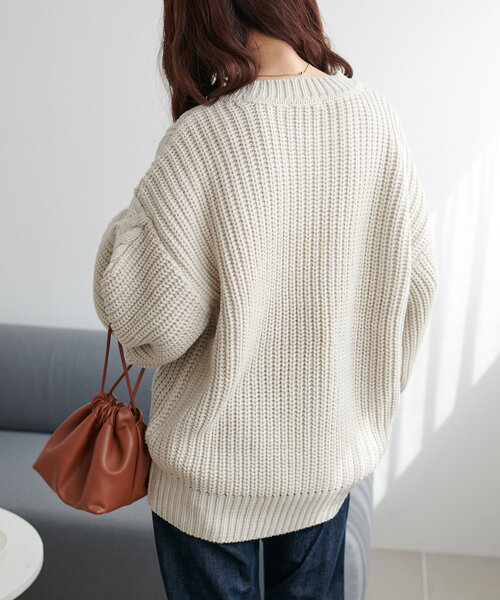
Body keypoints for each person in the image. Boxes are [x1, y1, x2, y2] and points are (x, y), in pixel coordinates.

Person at [92, 1, 438, 598]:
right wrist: (361, 402)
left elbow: (147, 324)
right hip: (327, 466)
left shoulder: (203, 138)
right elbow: (417, 288)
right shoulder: (375, 119)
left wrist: (138, 216)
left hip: (207, 488)